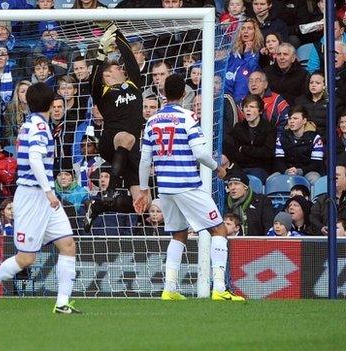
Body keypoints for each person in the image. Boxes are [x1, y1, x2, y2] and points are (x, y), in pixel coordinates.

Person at [135, 74, 244, 301]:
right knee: (219, 230)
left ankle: (170, 289)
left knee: (179, 234)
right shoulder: (188, 117)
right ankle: (220, 288)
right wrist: (217, 168)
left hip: (164, 187)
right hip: (187, 184)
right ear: (184, 94)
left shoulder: (152, 121)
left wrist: (144, 189)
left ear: (164, 93)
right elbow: (201, 153)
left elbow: (145, 160)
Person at [0, 82, 80, 314]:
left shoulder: (30, 124)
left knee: (68, 245)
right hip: (34, 196)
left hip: (40, 196)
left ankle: (62, 303)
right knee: (26, 258)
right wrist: (49, 192)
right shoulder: (40, 127)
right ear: (51, 103)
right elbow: (34, 159)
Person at [90, 24, 145, 203]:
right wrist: (100, 55)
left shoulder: (133, 84)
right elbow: (92, 80)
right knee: (127, 138)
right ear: (107, 75)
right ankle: (110, 190)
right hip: (111, 142)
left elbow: (129, 57)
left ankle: (99, 207)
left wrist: (115, 31)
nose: (122, 68)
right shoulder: (103, 91)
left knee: (144, 203)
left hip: (131, 149)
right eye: (117, 68)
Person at [273, 105, 324, 185]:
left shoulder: (315, 138)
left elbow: (316, 163)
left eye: (295, 118)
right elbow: (279, 160)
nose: (291, 121)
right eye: (290, 118)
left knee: (315, 179)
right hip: (287, 171)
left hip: (308, 172)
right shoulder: (282, 137)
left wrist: (300, 171)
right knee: (271, 179)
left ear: (304, 121)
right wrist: (286, 171)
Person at [224, 171, 274, 235]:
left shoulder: (262, 201)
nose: (233, 188)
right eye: (230, 185)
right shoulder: (225, 204)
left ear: (245, 187)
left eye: (236, 184)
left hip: (257, 243)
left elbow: (268, 227)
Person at [310, 165, 346, 235]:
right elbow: (313, 218)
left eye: (337, 175)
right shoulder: (322, 200)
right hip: (325, 241)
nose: (333, 178)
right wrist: (321, 228)